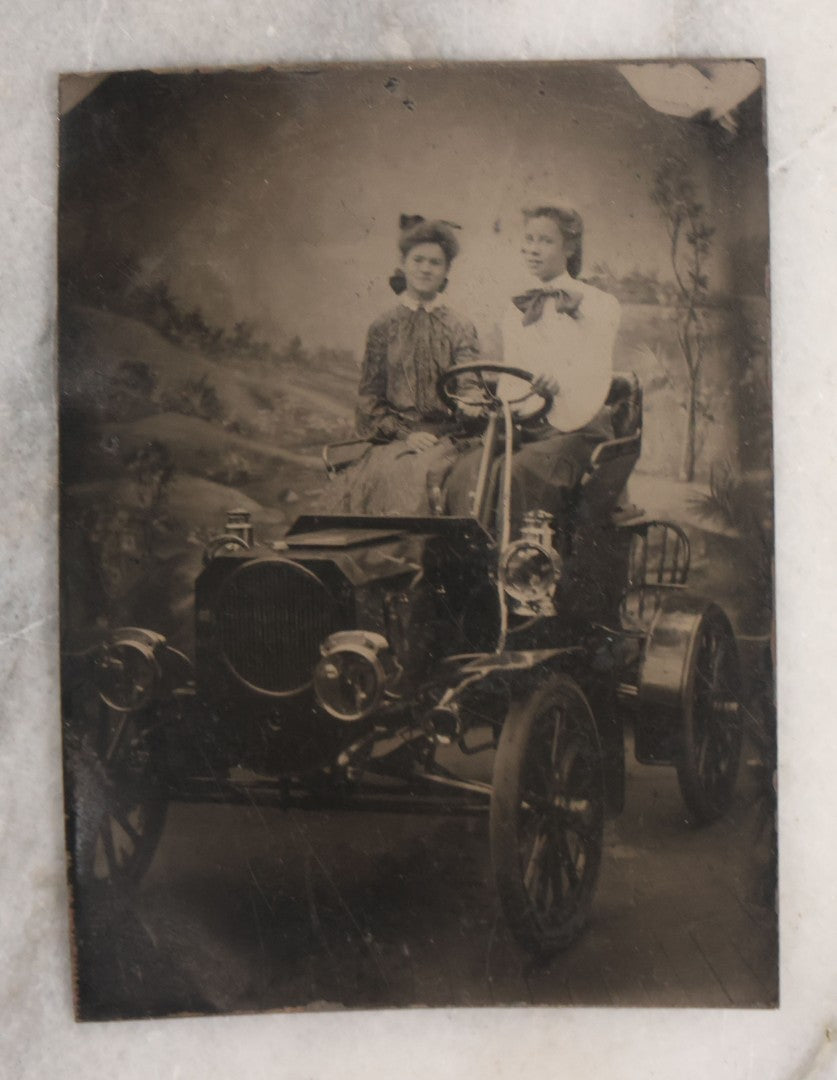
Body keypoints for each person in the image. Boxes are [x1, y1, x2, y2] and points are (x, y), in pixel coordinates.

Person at [445, 204, 621, 528]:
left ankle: (521, 568)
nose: (532, 249)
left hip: (580, 428)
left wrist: (561, 384)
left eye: (545, 241)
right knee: (471, 468)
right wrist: (507, 408)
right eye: (528, 240)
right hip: (531, 424)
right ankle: (473, 565)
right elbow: (515, 375)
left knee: (519, 472)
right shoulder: (517, 309)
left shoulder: (599, 303)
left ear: (569, 246)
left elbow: (596, 368)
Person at [334, 215, 481, 515]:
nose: (426, 269)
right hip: (397, 438)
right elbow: (369, 401)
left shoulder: (460, 327)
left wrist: (472, 402)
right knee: (386, 476)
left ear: (446, 271)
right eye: (418, 260)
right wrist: (405, 435)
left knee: (433, 474)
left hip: (448, 438)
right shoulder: (383, 327)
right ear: (403, 264)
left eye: (435, 263)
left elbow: (469, 386)